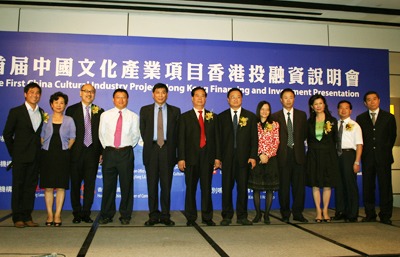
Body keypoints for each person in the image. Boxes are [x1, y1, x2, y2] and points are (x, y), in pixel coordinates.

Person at [177, 87, 221, 226]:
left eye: (203, 96)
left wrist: (217, 157)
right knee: (190, 189)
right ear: (192, 98)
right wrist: (181, 158)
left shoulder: (213, 116)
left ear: (206, 98)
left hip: (208, 159)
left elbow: (217, 139)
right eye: (197, 95)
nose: (200, 98)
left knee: (206, 189)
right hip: (190, 159)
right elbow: (181, 139)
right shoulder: (184, 117)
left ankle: (207, 217)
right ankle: (191, 217)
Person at [3, 82, 44, 228]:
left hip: (35, 157)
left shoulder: (41, 112)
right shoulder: (16, 111)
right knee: (18, 186)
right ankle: (17, 217)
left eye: (37, 92)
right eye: (32, 92)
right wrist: (14, 153)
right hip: (20, 157)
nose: (35, 95)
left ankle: (27, 216)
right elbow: (7, 134)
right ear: (26, 94)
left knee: (30, 187)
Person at [140, 83, 180, 226]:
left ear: (167, 94)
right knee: (152, 184)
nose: (161, 95)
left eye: (163, 92)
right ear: (153, 94)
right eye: (158, 92)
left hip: (168, 150)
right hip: (151, 149)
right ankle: (153, 215)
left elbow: (177, 134)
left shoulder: (175, 111)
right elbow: (143, 131)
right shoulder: (145, 110)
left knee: (166, 184)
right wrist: (153, 144)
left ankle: (165, 215)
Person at [98, 89, 140, 225]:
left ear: (127, 99)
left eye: (123, 97)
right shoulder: (105, 115)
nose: (121, 100)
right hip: (109, 152)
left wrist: (125, 147)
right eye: (118, 97)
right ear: (113, 99)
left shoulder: (133, 116)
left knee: (126, 185)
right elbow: (101, 135)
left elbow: (135, 136)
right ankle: (107, 214)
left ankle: (125, 215)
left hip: (125, 153)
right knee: (108, 185)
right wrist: (109, 148)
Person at [356, 91, 397, 225]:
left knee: (385, 187)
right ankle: (370, 214)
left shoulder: (388, 117)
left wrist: (383, 150)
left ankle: (385, 215)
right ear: (365, 103)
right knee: (368, 187)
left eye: (374, 99)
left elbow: (392, 137)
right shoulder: (361, 118)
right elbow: (360, 139)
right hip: (367, 158)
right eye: (369, 100)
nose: (372, 102)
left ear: (379, 100)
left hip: (383, 157)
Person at [218, 88, 258, 226]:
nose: (235, 99)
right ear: (228, 99)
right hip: (227, 158)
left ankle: (242, 216)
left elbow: (254, 139)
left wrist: (253, 156)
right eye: (232, 97)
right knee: (227, 188)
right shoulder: (221, 117)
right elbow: (218, 140)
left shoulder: (250, 116)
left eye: (238, 97)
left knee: (242, 188)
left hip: (244, 158)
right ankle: (227, 216)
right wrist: (218, 158)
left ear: (242, 99)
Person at [66, 84, 104, 224]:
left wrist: (101, 152)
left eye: (92, 92)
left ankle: (86, 213)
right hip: (76, 152)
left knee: (89, 184)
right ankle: (76, 213)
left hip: (92, 153)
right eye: (86, 91)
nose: (89, 94)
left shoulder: (99, 111)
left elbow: (102, 134)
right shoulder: (71, 110)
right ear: (80, 93)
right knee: (75, 184)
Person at [270, 88, 308, 223]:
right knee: (284, 187)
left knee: (299, 187)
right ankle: (285, 213)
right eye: (285, 97)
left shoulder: (302, 115)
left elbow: (304, 134)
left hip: (298, 155)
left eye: (291, 97)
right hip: (282, 156)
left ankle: (298, 213)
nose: (288, 100)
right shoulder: (275, 116)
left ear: (294, 99)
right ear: (281, 99)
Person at [40, 92, 76, 227]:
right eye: (56, 102)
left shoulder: (69, 120)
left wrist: (65, 149)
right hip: (47, 155)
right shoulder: (45, 119)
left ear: (65, 104)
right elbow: (41, 136)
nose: (59, 105)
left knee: (61, 187)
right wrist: (45, 147)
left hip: (63, 156)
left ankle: (57, 215)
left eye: (62, 102)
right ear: (51, 104)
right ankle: (49, 214)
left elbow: (73, 137)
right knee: (48, 187)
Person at [306, 94, 340, 223]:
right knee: (315, 184)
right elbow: (308, 139)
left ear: (324, 105)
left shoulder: (332, 121)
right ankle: (318, 211)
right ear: (312, 106)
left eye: (320, 103)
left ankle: (325, 211)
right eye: (315, 104)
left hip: (328, 154)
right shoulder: (309, 122)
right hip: (314, 154)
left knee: (327, 185)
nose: (318, 106)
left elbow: (335, 139)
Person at [248, 101, 280, 225]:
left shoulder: (274, 124)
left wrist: (267, 155)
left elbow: (276, 142)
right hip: (257, 159)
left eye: (267, 109)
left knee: (269, 189)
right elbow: (251, 141)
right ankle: (257, 214)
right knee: (256, 188)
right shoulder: (253, 124)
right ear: (258, 110)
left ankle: (266, 214)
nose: (265, 112)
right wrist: (259, 154)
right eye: (262, 109)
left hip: (271, 160)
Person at [332, 100, 363, 222]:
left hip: (349, 155)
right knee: (339, 185)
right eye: (341, 108)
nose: (343, 110)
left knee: (350, 185)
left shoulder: (355, 125)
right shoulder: (335, 124)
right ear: (338, 110)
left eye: (346, 108)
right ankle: (340, 211)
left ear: (350, 111)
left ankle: (352, 213)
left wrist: (356, 162)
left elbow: (359, 145)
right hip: (336, 156)